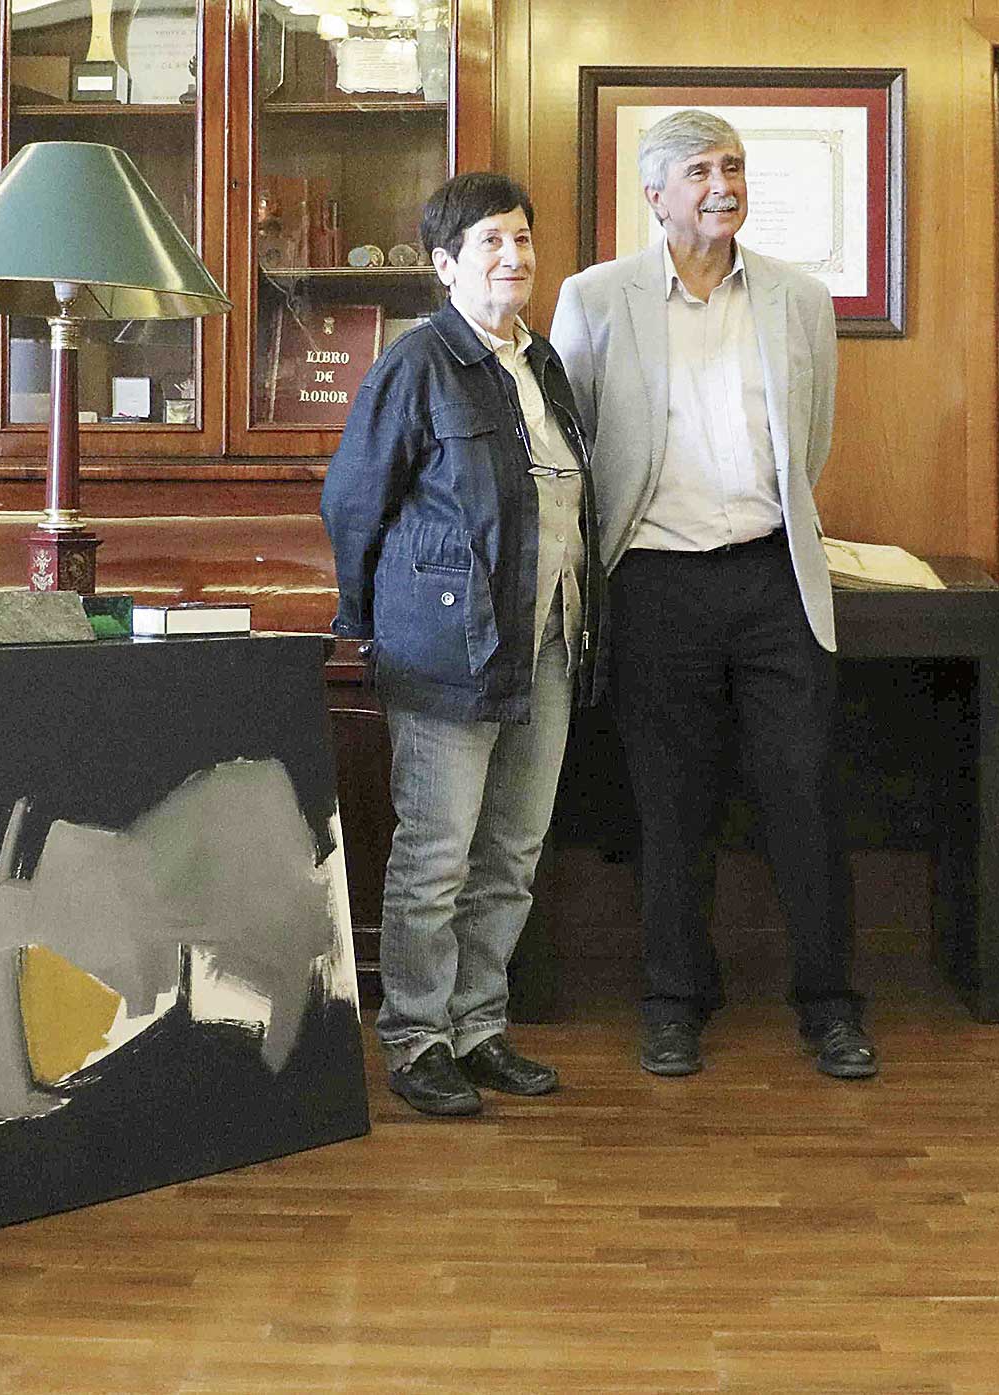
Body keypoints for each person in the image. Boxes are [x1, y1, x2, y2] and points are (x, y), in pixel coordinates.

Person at [551, 110, 871, 1081]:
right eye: (697, 171)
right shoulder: (594, 298)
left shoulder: (795, 298)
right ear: (653, 195)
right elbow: (575, 444)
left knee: (802, 791)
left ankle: (828, 1004)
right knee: (668, 803)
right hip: (651, 581)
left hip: (772, 576)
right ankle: (673, 999)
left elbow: (806, 443)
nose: (720, 186)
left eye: (731, 167)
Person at [322, 172, 599, 1117]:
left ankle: (481, 1026)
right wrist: (361, 621)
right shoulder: (417, 363)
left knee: (512, 851)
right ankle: (416, 1037)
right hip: (448, 649)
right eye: (489, 242)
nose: (513, 257)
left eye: (521, 238)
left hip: (550, 643)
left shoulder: (544, 362)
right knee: (435, 855)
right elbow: (354, 500)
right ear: (444, 266)